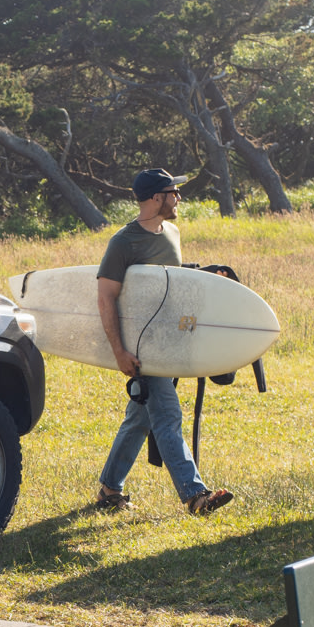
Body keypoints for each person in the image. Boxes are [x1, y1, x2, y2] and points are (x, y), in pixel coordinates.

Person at [93, 169, 233, 515]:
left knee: (140, 419)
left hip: (167, 343)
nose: (178, 198)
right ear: (156, 198)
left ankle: (110, 490)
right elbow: (105, 298)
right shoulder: (124, 243)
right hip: (141, 348)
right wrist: (119, 352)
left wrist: (203, 275)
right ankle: (195, 496)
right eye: (173, 192)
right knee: (168, 415)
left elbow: (167, 280)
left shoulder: (172, 232)